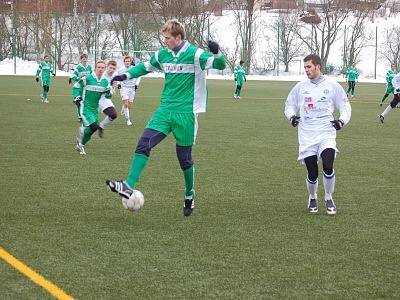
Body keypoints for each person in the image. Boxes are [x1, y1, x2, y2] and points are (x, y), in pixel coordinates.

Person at [106, 19, 226, 217]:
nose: (165, 41)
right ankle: (128, 185)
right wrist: (125, 76)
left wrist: (217, 52)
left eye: (168, 38)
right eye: (164, 37)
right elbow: (144, 67)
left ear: (179, 37)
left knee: (184, 159)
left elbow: (220, 64)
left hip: (186, 113)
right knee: (144, 143)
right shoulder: (163, 55)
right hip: (164, 110)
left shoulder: (195, 54)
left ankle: (189, 194)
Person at [284, 54, 351, 215]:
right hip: (307, 134)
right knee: (312, 172)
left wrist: (341, 121)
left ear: (318, 66)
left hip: (326, 132)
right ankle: (312, 196)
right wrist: (291, 117)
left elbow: (345, 106)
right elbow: (289, 105)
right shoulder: (300, 87)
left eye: (309, 66)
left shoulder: (333, 86)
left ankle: (328, 197)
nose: (306, 70)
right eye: (305, 67)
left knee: (328, 165)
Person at [73, 60, 112, 155]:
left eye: (103, 68)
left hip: (95, 109)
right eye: (99, 67)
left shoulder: (105, 82)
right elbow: (76, 86)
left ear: (105, 69)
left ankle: (80, 144)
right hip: (85, 107)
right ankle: (83, 129)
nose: (100, 69)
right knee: (94, 126)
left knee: (92, 129)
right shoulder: (88, 78)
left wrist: (108, 93)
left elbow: (109, 96)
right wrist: (77, 97)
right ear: (95, 68)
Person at [118, 56, 141, 126]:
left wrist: (137, 84)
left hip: (132, 88)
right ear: (124, 62)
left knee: (129, 106)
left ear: (130, 62)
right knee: (126, 104)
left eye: (128, 61)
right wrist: (119, 84)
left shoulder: (134, 69)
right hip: (124, 88)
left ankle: (124, 107)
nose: (127, 62)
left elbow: (139, 76)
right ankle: (128, 120)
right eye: (126, 61)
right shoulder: (121, 70)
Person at [98, 60, 118, 136]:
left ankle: (101, 126)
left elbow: (113, 85)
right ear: (107, 67)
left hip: (104, 98)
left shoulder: (115, 75)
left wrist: (113, 90)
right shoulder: (101, 74)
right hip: (95, 98)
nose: (112, 70)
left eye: (113, 68)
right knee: (90, 123)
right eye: (110, 68)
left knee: (113, 114)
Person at [70, 54, 93, 121]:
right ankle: (80, 116)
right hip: (78, 87)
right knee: (79, 101)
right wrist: (79, 78)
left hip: (86, 88)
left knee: (86, 102)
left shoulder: (89, 67)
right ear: (81, 59)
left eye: (86, 58)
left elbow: (92, 76)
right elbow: (73, 76)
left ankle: (85, 115)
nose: (85, 60)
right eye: (83, 58)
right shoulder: (78, 67)